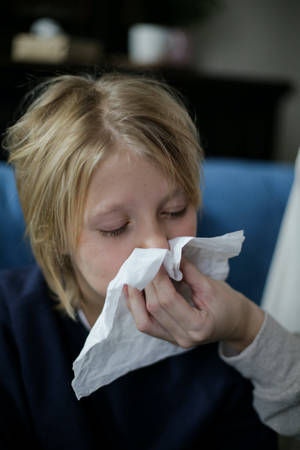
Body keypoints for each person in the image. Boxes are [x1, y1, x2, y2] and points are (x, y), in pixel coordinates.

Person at [0, 71, 278, 449]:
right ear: (55, 234)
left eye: (175, 211)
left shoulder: (220, 327)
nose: (159, 247)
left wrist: (246, 328)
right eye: (116, 228)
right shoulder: (11, 329)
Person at [125, 254, 300, 440]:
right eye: (114, 229)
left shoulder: (221, 362)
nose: (158, 245)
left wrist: (245, 324)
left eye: (174, 221)